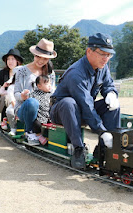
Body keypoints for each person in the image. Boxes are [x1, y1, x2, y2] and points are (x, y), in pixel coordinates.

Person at [50, 33, 120, 169]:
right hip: (63, 112)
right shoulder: (76, 73)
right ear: (89, 51)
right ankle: (78, 149)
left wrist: (111, 93)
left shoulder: (102, 67)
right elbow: (86, 104)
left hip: (83, 110)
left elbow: (108, 85)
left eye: (109, 55)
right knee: (69, 103)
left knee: (112, 105)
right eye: (102, 54)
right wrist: (101, 130)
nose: (106, 58)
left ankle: (104, 150)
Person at [14, 38, 56, 145]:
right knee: (32, 102)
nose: (41, 61)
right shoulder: (22, 71)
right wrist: (22, 96)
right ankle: (30, 132)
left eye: (45, 59)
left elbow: (52, 93)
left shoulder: (51, 73)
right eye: (38, 56)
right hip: (25, 109)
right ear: (34, 55)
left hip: (43, 111)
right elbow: (16, 93)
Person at [0, 49, 23, 120]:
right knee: (5, 98)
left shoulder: (23, 73)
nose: (10, 61)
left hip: (19, 99)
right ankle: (4, 121)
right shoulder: (1, 74)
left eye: (12, 59)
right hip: (5, 101)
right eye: (8, 59)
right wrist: (3, 95)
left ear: (18, 61)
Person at [29, 75, 52, 145]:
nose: (49, 85)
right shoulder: (34, 94)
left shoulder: (51, 94)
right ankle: (38, 135)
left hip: (48, 115)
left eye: (50, 83)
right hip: (39, 116)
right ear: (39, 86)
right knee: (36, 123)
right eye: (46, 83)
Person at [0, 71, 17, 136]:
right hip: (13, 105)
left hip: (22, 104)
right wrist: (4, 86)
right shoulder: (11, 88)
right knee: (9, 110)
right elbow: (1, 92)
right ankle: (13, 128)